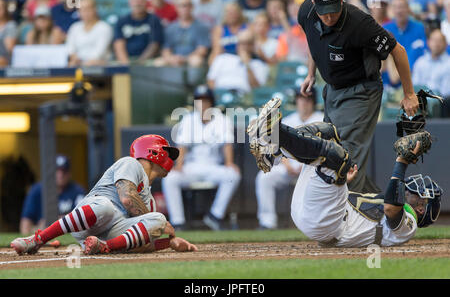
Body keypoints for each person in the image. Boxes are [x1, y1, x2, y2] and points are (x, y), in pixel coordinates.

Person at [248, 97, 442, 247]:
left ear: (421, 209)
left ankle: (273, 134)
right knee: (328, 132)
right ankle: (271, 150)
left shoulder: (410, 224)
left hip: (327, 224)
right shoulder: (398, 210)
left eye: (422, 196)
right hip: (316, 214)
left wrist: (402, 162)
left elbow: (392, 208)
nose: (417, 190)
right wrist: (343, 183)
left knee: (340, 159)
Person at [298, 0, 419, 194]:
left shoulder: (360, 23)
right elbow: (314, 41)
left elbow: (398, 50)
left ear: (342, 2)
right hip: (333, 90)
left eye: (333, 12)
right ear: (314, 5)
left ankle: (351, 217)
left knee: (347, 156)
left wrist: (409, 94)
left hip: (362, 91)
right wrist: (310, 73)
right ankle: (382, 210)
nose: (328, 18)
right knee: (333, 154)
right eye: (324, 13)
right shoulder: (306, 11)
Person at [11, 135, 198, 255]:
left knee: (157, 217)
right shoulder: (131, 163)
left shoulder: (149, 200)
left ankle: (105, 247)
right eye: (166, 152)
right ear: (152, 151)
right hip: (91, 218)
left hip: (103, 236)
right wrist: (161, 226)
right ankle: (37, 240)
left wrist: (167, 243)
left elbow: (143, 245)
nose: (169, 158)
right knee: (107, 208)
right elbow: (126, 198)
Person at [162, 86, 241, 230]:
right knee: (170, 178)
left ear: (212, 102)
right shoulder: (188, 119)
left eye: (205, 101)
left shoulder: (222, 120)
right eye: (199, 101)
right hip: (192, 166)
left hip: (213, 166)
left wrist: (229, 163)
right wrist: (179, 165)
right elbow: (182, 145)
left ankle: (214, 216)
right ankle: (178, 222)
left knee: (233, 174)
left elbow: (227, 144)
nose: (202, 104)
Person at [255, 88, 324, 229]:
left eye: (307, 99)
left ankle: (317, 226)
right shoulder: (287, 120)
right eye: (301, 98)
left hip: (313, 169)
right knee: (264, 177)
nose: (303, 102)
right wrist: (287, 165)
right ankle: (267, 222)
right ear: (296, 100)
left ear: (313, 101)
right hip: (289, 167)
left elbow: (325, 149)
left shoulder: (321, 120)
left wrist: (306, 164)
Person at [19, 155, 86, 236]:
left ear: (69, 174)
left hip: (68, 237)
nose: (60, 175)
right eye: (57, 171)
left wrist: (54, 223)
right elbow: (24, 226)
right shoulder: (36, 190)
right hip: (41, 236)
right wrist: (39, 228)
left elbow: (83, 222)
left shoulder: (78, 191)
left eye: (64, 171)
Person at [207, 29, 269, 94]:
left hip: (243, 98)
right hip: (220, 93)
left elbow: (256, 89)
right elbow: (210, 81)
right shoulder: (223, 58)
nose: (244, 46)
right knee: (199, 99)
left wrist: (247, 65)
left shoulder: (259, 64)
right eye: (241, 43)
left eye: (248, 43)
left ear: (253, 45)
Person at [155, 0, 210, 68]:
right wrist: (171, 58)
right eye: (182, 5)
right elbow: (166, 49)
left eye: (188, 5)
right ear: (176, 7)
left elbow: (202, 50)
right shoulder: (171, 27)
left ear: (192, 7)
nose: (185, 8)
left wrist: (184, 59)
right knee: (158, 62)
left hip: (191, 58)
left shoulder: (201, 26)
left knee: (196, 61)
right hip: (174, 58)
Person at [113, 0, 164, 65]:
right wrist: (125, 63)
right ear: (129, 2)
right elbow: (119, 44)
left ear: (146, 2)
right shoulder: (122, 21)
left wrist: (140, 63)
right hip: (126, 59)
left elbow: (154, 45)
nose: (137, 3)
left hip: (148, 60)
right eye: (135, 0)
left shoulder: (154, 20)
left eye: (140, 0)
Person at [383, 0, 428, 71]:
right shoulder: (385, 29)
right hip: (390, 76)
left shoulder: (420, 28)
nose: (399, 11)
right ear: (392, 10)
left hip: (414, 73)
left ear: (408, 9)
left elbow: (425, 52)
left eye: (401, 7)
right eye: (395, 7)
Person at [412, 29, 450, 117]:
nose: (436, 44)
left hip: (441, 105)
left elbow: (446, 92)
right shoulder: (420, 62)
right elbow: (415, 86)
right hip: (420, 102)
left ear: (445, 44)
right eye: (434, 40)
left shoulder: (449, 63)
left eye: (439, 41)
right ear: (428, 42)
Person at [66, 0, 113, 67]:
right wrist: (75, 58)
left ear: (95, 9)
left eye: (87, 9)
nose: (84, 12)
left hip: (100, 69)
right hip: (77, 65)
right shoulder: (74, 27)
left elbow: (99, 53)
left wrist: (84, 63)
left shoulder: (104, 27)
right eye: (81, 10)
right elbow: (70, 49)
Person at [0, 0, 18, 67]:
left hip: (6, 63)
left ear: (5, 10)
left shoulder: (10, 26)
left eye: (1, 8)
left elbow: (10, 50)